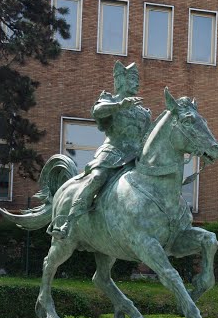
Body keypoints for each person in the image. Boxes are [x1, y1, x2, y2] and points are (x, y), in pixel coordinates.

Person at [50, 61, 154, 239]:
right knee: (97, 177)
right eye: (132, 79)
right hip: (113, 152)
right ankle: (69, 221)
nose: (137, 83)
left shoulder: (144, 112)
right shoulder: (110, 100)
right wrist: (120, 105)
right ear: (120, 81)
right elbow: (98, 111)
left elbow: (149, 138)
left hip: (136, 158)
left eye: (137, 79)